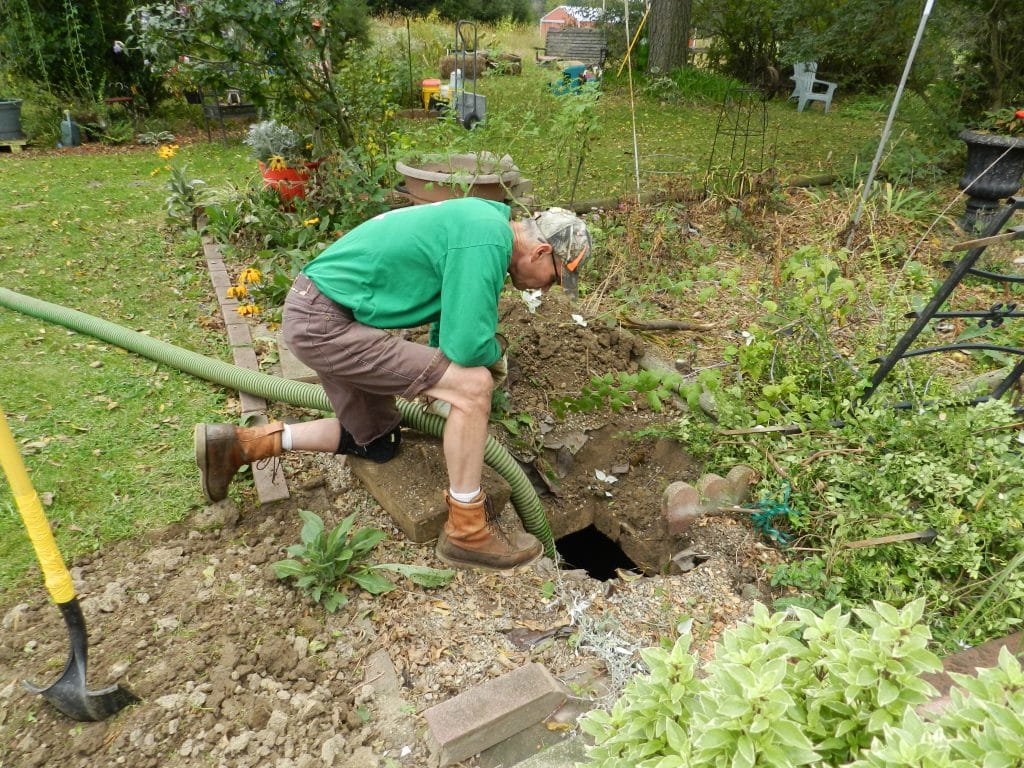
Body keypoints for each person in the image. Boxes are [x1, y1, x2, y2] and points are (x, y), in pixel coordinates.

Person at [195, 197, 591, 571]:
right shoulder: (487, 239)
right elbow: (469, 347)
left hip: (327, 310)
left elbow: (448, 309)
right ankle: (467, 530)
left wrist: (439, 377)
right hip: (325, 322)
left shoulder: (480, 225)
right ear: (541, 252)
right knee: (473, 387)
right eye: (554, 279)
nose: (546, 289)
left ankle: (243, 444)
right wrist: (491, 356)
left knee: (376, 441)